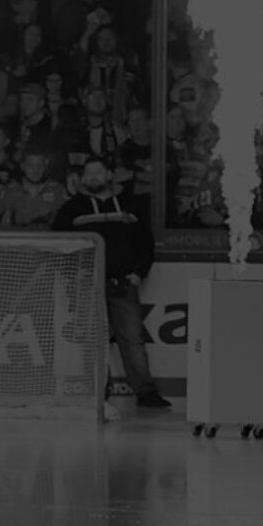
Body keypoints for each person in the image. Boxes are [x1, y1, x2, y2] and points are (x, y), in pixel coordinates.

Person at [51, 158, 169, 409]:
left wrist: (138, 273)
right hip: (87, 285)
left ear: (109, 175)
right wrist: (74, 275)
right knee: (91, 342)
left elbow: (145, 243)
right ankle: (97, 392)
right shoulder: (71, 208)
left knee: (133, 339)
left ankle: (146, 394)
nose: (93, 176)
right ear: (82, 178)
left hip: (123, 284)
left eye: (98, 171)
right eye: (88, 173)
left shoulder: (130, 205)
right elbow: (58, 244)